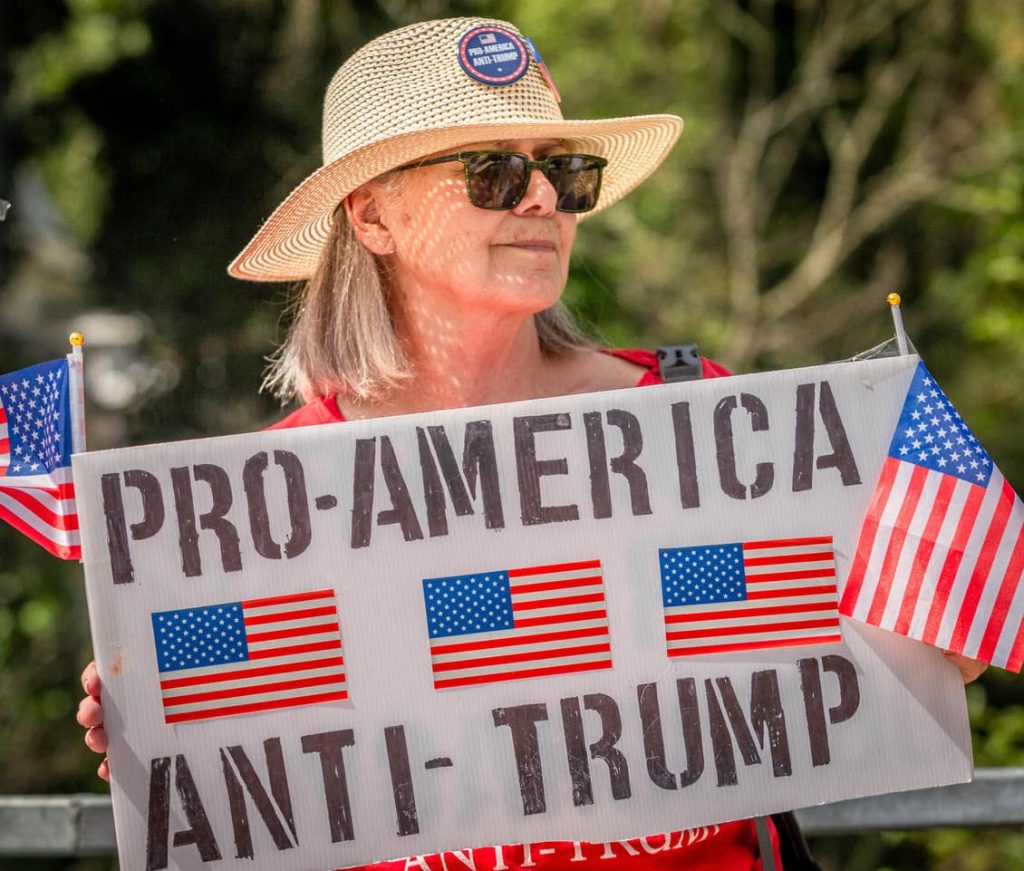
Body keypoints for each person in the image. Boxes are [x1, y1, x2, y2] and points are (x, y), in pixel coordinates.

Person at [76, 16, 986, 871]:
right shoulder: (267, 494)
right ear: (373, 218)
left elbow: (900, 652)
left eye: (567, 172)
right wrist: (162, 706)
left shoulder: (689, 407)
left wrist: (940, 619)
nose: (546, 197)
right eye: (492, 173)